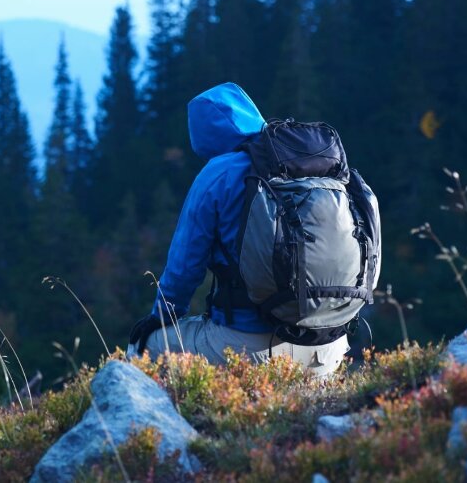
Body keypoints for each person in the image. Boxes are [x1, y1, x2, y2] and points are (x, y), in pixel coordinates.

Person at [126, 82, 352, 376]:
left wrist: (157, 320)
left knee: (143, 348)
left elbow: (183, 272)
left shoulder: (218, 172)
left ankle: (175, 422)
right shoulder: (318, 166)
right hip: (330, 348)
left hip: (251, 350)